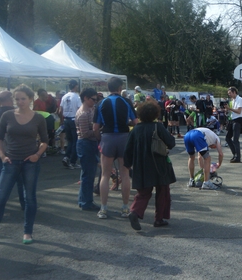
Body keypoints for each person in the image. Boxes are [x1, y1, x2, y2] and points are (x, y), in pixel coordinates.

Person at [0, 84, 48, 244]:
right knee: (0, 197)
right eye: (17, 99)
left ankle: (28, 232)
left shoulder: (39, 118)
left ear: (30, 99)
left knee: (30, 198)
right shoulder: (7, 115)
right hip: (10, 161)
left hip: (30, 162)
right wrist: (2, 156)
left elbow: (45, 141)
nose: (20, 102)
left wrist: (37, 155)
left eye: (23, 99)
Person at [124, 101, 176, 230]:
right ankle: (159, 219)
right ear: (155, 114)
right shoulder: (158, 127)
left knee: (143, 193)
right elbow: (171, 143)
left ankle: (135, 212)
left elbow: (128, 150)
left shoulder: (136, 129)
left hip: (141, 165)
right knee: (163, 192)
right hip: (159, 164)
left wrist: (127, 165)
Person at [93, 77, 138, 219]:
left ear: (108, 88)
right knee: (125, 174)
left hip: (107, 137)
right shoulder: (127, 102)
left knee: (105, 175)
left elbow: (95, 127)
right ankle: (125, 208)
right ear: (120, 88)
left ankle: (103, 209)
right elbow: (136, 123)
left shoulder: (101, 103)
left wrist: (100, 139)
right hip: (124, 137)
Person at [0, 90, 24, 210]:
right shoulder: (14, 113)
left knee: (1, 182)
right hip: (14, 149)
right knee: (21, 180)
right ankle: (25, 203)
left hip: (0, 149)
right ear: (10, 99)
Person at [75, 87, 100, 211]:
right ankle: (86, 202)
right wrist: (98, 131)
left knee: (87, 174)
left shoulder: (90, 110)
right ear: (85, 98)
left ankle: (83, 200)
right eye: (93, 99)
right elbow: (85, 133)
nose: (95, 102)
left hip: (88, 143)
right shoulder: (83, 113)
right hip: (86, 143)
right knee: (88, 175)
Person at [59, 80, 82, 169]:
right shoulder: (77, 97)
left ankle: (67, 157)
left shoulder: (64, 96)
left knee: (70, 141)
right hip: (73, 120)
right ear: (76, 86)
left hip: (66, 120)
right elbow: (80, 109)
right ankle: (72, 161)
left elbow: (60, 110)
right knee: (76, 141)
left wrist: (62, 120)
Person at [225, 86, 242, 163]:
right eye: (228, 93)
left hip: (238, 120)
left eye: (230, 93)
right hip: (232, 120)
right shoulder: (232, 100)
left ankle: (238, 157)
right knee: (227, 138)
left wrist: (229, 108)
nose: (229, 95)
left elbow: (239, 111)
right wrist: (227, 110)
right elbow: (233, 111)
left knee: (235, 139)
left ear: (234, 92)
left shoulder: (239, 99)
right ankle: (235, 154)